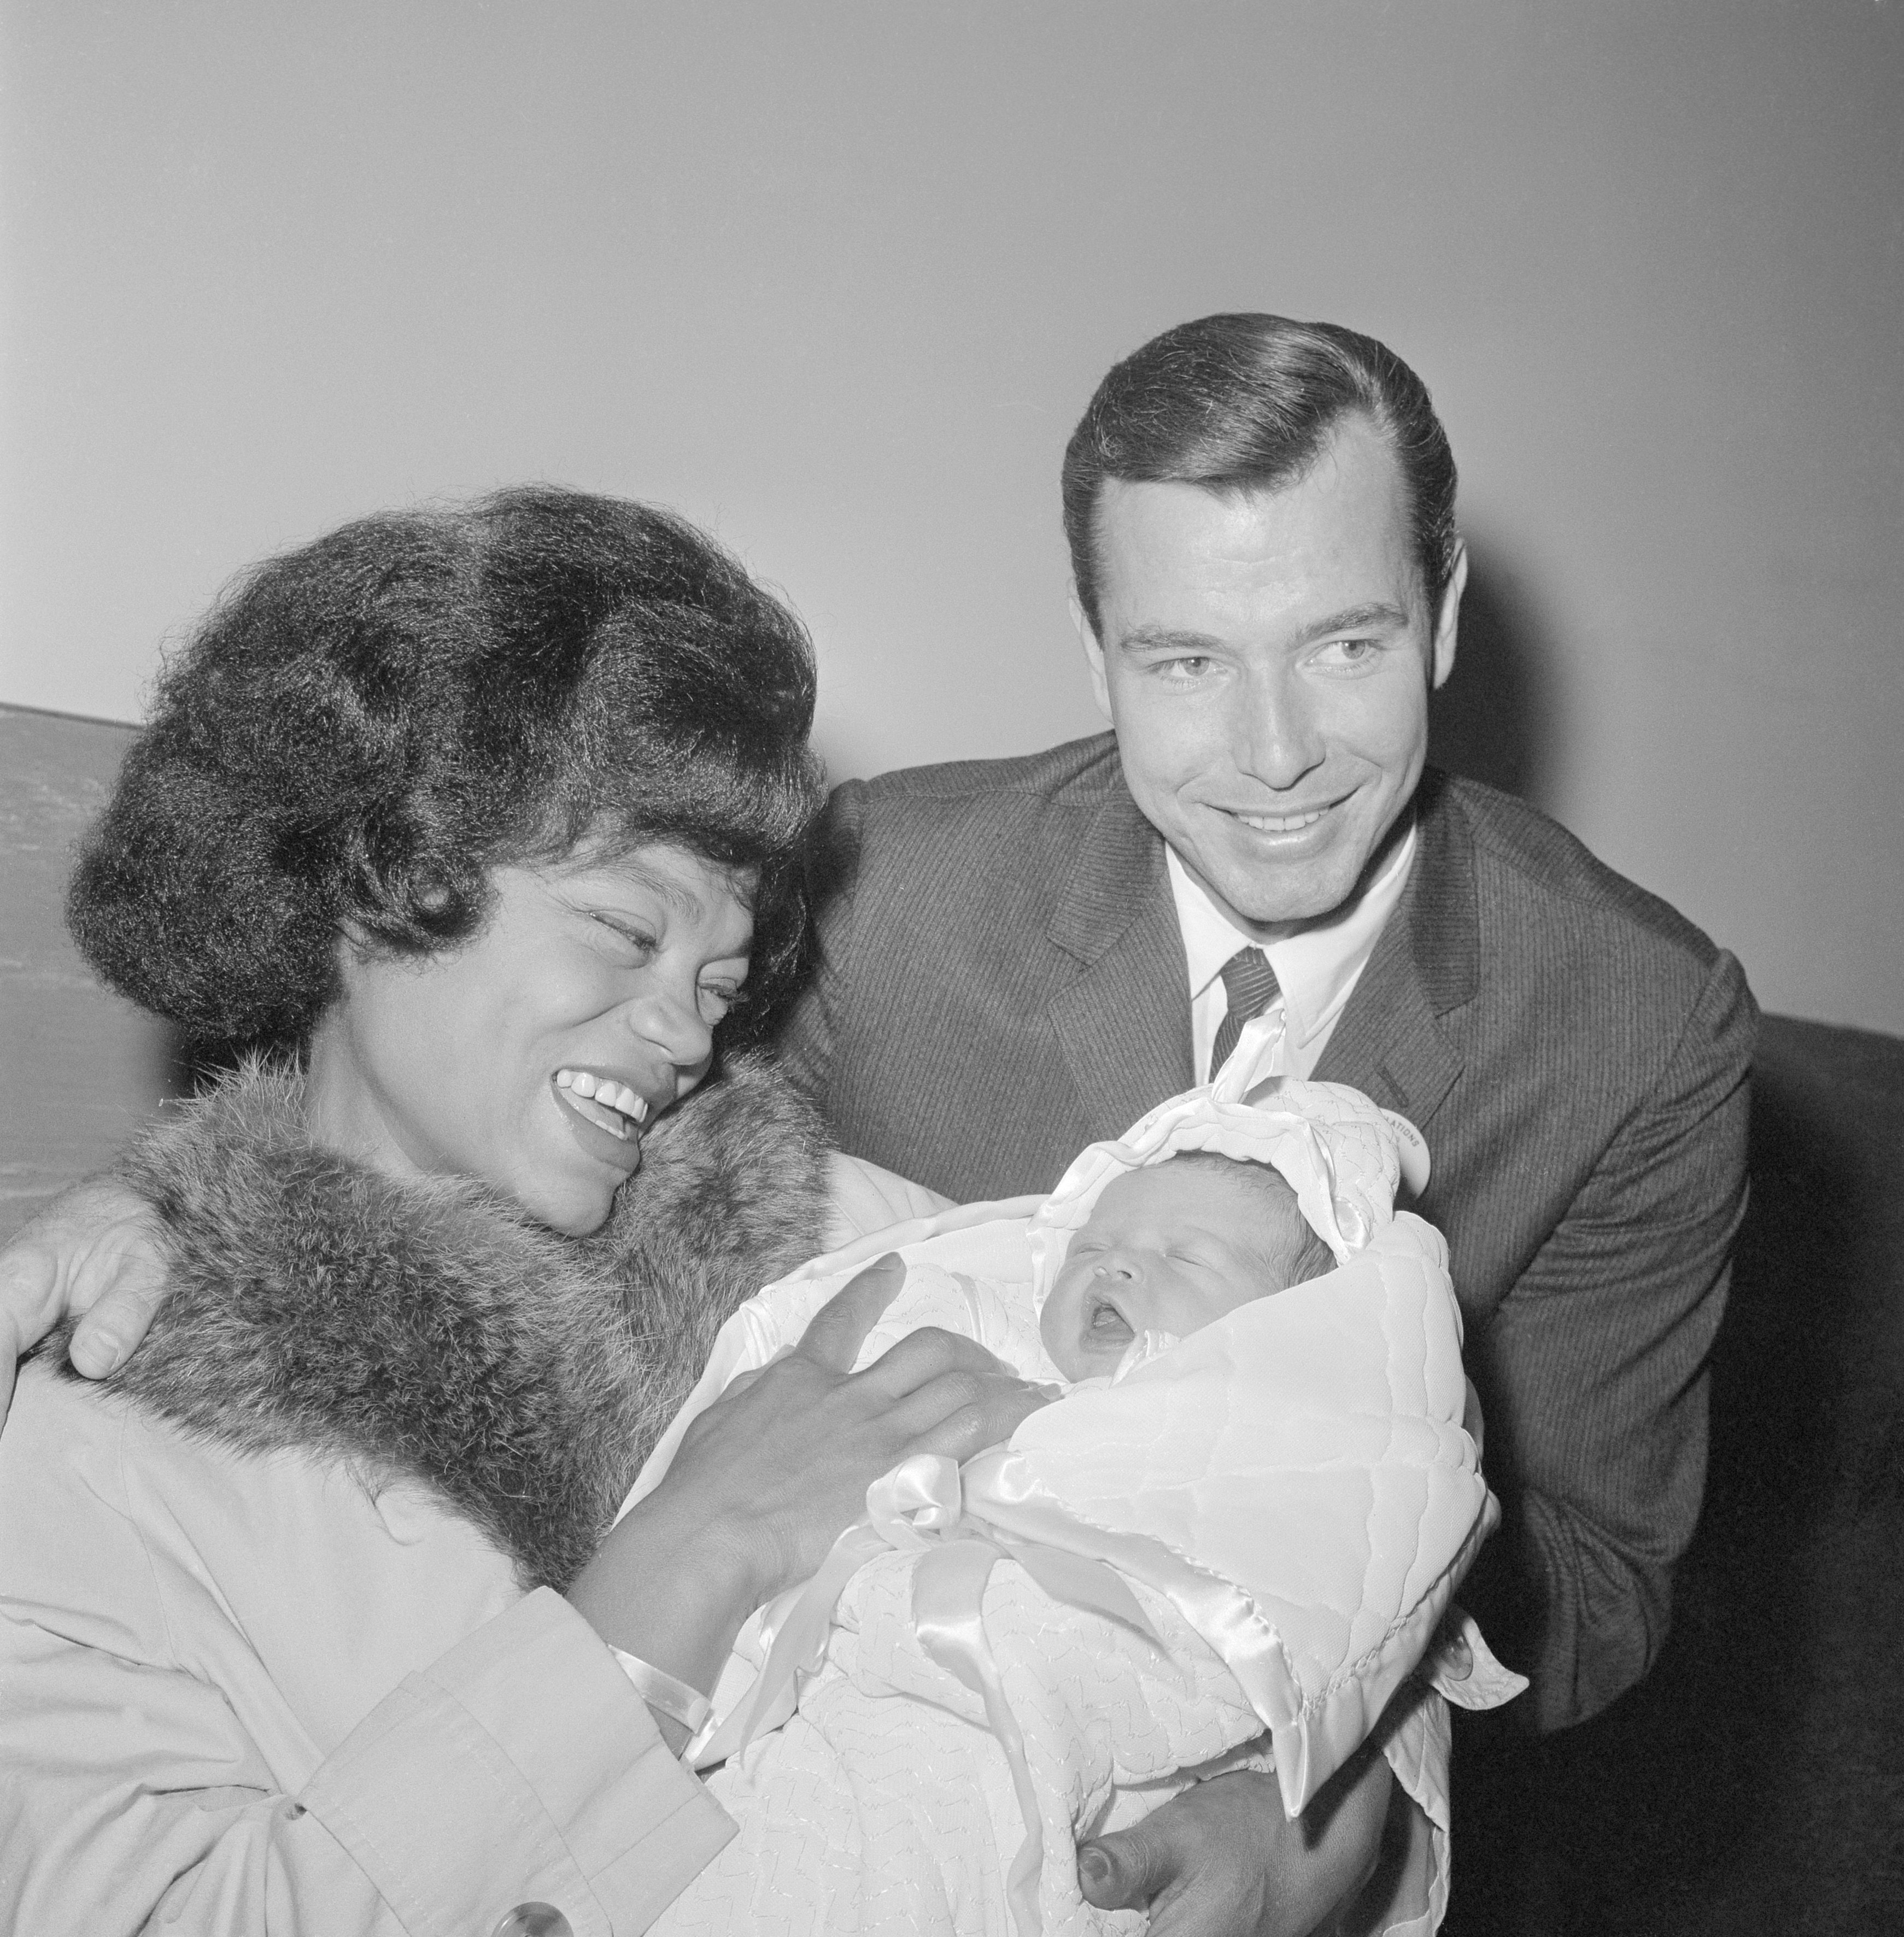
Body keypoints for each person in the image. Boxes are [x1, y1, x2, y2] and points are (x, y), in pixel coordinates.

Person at [0, 488, 1054, 1935]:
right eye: (627, 932)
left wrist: (1290, 1816)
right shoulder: (95, 1448)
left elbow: (1248, 1448)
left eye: (717, 981)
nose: (686, 1036)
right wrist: (683, 1561)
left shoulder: (850, 1238)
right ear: (379, 876)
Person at [637, 1064, 1524, 1936]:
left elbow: (1361, 1567)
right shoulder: (992, 1361)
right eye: (1091, 1247)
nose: (1121, 1265)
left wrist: (1338, 1814)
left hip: (1073, 1772)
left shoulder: (1272, 1441)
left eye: (1186, 1257)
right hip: (851, 1716)